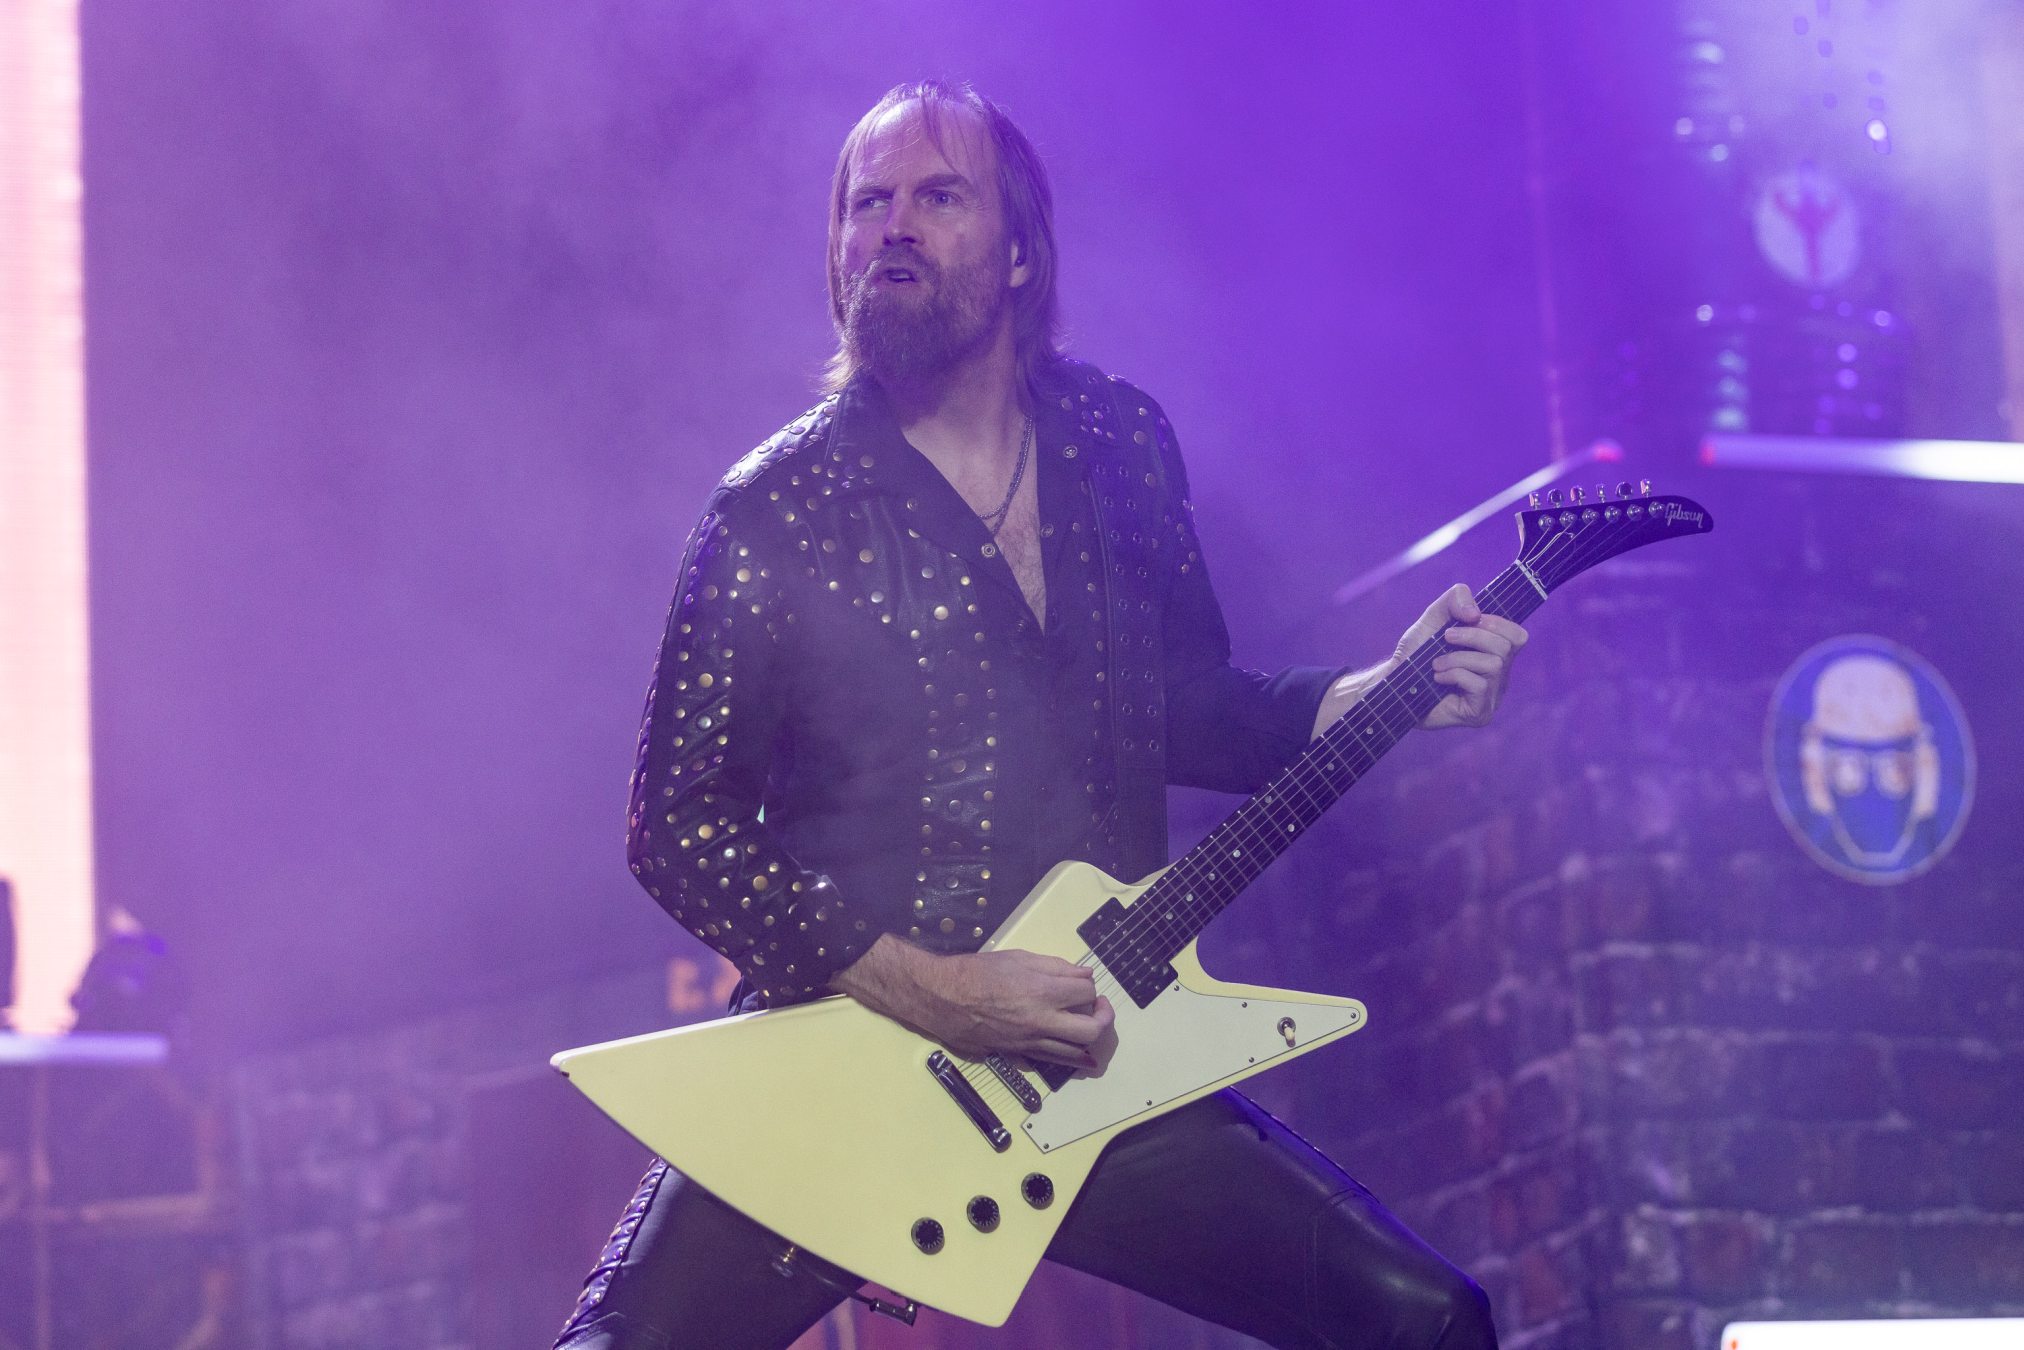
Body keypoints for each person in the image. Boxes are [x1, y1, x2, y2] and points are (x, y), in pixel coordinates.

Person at [556, 78, 1525, 1350]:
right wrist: (941, 994)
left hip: (1092, 1052)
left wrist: (1382, 695)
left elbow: (1186, 709)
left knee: (1431, 1324)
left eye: (937, 197)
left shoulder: (1117, 444)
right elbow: (676, 829)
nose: (892, 228)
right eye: (865, 204)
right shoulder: (774, 509)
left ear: (1019, 252)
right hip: (840, 1068)